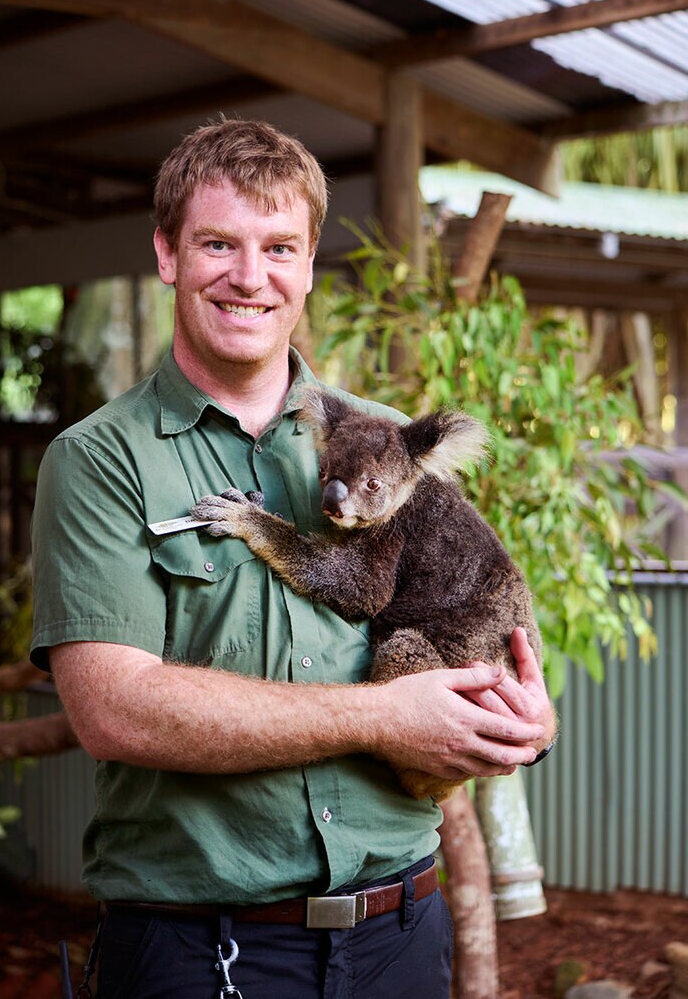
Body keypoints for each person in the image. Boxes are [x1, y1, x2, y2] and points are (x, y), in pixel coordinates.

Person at [30, 118, 555, 999]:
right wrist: (385, 719)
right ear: (166, 256)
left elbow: (479, 605)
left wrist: (525, 725)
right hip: (205, 948)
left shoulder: (385, 439)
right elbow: (114, 712)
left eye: (279, 247)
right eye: (216, 244)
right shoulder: (98, 461)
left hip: (401, 925)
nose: (250, 275)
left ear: (309, 265)